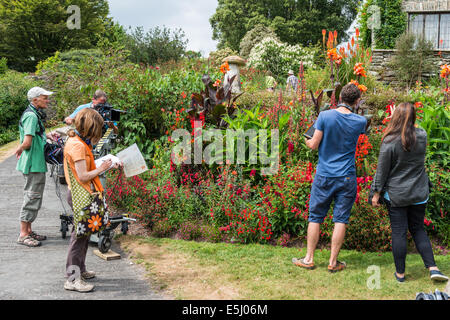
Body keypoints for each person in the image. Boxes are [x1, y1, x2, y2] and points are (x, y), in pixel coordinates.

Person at [292, 83, 367, 272]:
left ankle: (309, 259)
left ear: (340, 97)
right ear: (357, 101)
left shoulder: (325, 116)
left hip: (325, 175)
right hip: (347, 177)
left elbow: (314, 145)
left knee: (315, 217)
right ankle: (333, 263)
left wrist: (306, 139)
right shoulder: (360, 122)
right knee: (341, 219)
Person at [370, 102, 448, 283]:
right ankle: (433, 267)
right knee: (418, 229)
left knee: (399, 232)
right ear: (414, 117)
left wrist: (376, 194)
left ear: (395, 117)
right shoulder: (422, 135)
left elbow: (382, 171)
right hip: (419, 192)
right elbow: (410, 132)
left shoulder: (389, 140)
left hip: (397, 194)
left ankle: (401, 274)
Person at [63, 108, 121, 292]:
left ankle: (81, 270)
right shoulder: (78, 146)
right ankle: (72, 279)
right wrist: (103, 167)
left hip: (83, 194)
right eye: (98, 130)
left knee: (84, 235)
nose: (99, 134)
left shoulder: (77, 141)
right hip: (81, 194)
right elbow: (83, 176)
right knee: (78, 238)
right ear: (90, 127)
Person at [15, 87, 59, 247]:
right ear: (35, 100)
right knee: (31, 197)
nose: (47, 100)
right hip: (33, 163)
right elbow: (27, 142)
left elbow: (34, 134)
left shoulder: (34, 114)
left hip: (35, 163)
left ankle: (29, 230)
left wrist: (46, 135)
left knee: (33, 197)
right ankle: (23, 234)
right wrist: (19, 149)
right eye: (44, 97)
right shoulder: (31, 116)